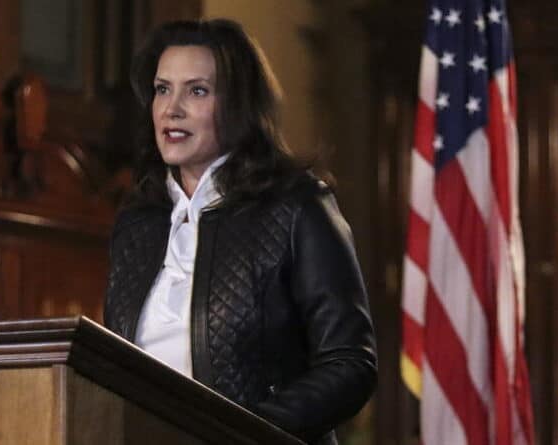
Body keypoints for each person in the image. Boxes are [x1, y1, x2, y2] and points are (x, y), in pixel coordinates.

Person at [103, 18, 376, 445]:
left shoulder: (298, 205)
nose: (172, 108)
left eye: (197, 90)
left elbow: (350, 363)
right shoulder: (137, 224)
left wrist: (239, 433)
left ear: (238, 105)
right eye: (162, 89)